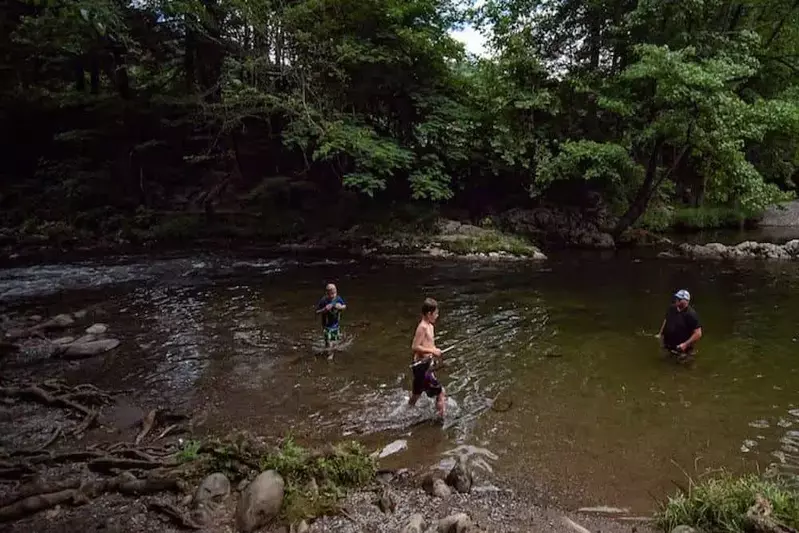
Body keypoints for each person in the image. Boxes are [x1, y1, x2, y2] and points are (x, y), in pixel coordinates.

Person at [408, 298, 447, 418]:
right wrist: (432, 351)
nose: (437, 316)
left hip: (426, 365)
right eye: (435, 313)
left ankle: (406, 411)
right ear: (429, 313)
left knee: (416, 395)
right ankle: (441, 419)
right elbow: (415, 347)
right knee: (441, 393)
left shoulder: (430, 326)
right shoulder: (422, 327)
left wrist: (435, 353)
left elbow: (430, 345)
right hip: (421, 367)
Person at [657, 289, 702, 361]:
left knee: (684, 366)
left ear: (686, 301)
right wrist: (660, 334)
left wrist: (685, 344)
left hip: (682, 348)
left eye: (679, 299)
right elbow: (666, 320)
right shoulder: (672, 308)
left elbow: (698, 333)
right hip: (668, 344)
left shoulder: (691, 314)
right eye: (676, 298)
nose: (677, 300)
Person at [316, 283, 346, 348]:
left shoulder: (338, 298)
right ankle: (330, 354)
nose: (333, 296)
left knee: (334, 340)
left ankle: (331, 350)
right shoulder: (323, 300)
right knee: (328, 341)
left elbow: (344, 306)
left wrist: (340, 307)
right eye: (330, 294)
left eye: (334, 293)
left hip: (336, 324)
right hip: (326, 325)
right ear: (326, 293)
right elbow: (317, 312)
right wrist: (325, 309)